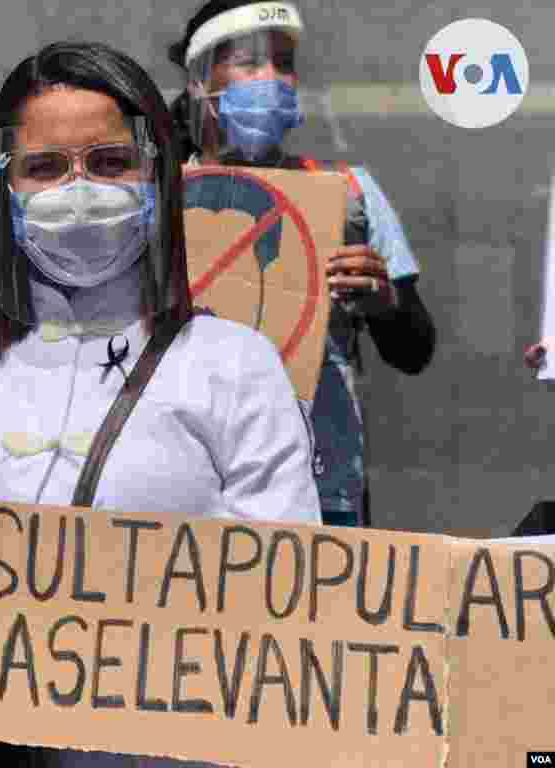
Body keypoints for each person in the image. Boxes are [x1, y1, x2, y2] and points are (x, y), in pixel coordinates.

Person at [0, 40, 319, 768]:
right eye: (43, 168)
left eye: (109, 164)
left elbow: (290, 609)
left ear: (157, 174)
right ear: (2, 185)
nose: (78, 189)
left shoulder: (235, 367)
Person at [168, 0, 436, 527]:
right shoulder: (157, 199)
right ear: (200, 79)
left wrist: (385, 304)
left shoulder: (349, 193)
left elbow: (414, 350)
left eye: (284, 63)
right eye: (249, 62)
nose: (272, 79)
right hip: (184, 487)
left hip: (321, 489)